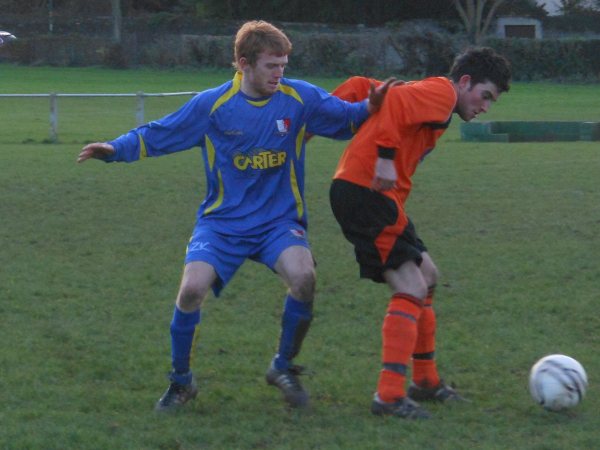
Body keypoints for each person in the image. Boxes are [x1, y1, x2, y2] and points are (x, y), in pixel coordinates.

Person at [78, 20, 393, 411]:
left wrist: (372, 105)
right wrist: (115, 148)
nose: (280, 73)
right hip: (222, 223)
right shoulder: (212, 106)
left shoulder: (300, 98)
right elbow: (161, 133)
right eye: (271, 66)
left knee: (304, 277)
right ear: (244, 64)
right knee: (191, 290)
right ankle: (181, 383)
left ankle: (282, 366)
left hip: (279, 222)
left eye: (283, 65)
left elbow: (347, 118)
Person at [328, 47, 511, 419]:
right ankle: (389, 395)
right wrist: (383, 157)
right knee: (410, 286)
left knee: (427, 277)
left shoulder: (430, 94)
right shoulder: (442, 94)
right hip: (366, 191)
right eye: (484, 96)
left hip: (379, 196)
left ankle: (425, 381)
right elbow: (392, 101)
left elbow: (367, 86)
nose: (485, 107)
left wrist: (326, 110)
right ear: (464, 82)